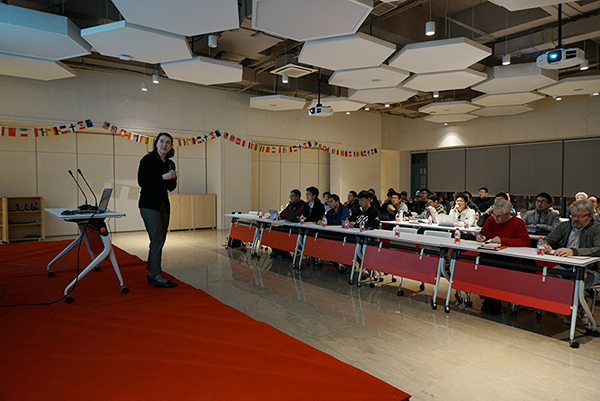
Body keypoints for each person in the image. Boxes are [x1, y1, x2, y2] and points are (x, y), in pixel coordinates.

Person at [137, 132, 178, 288]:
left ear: (171, 146)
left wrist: (171, 178)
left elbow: (172, 188)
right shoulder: (147, 160)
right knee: (157, 240)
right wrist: (163, 177)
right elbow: (142, 182)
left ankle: (151, 272)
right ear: (156, 143)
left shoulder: (170, 163)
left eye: (168, 142)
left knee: (160, 240)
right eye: (161, 141)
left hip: (163, 205)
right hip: (149, 205)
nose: (164, 145)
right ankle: (157, 275)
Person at [475, 199, 530, 314]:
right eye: (494, 215)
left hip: (508, 259)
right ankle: (489, 299)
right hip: (490, 256)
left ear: (508, 213)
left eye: (499, 216)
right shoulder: (490, 220)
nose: (496, 218)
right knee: (483, 266)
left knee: (496, 271)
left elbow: (525, 242)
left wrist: (504, 241)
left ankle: (493, 301)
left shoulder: (517, 223)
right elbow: (482, 234)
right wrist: (480, 237)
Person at [544, 199, 600, 291]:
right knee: (549, 278)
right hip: (566, 266)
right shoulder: (565, 226)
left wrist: (573, 252)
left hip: (590, 269)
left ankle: (576, 305)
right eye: (573, 215)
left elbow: (598, 249)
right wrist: (545, 245)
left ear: (590, 215)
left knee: (576, 287)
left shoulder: (597, 229)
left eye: (580, 216)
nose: (575, 219)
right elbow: (547, 240)